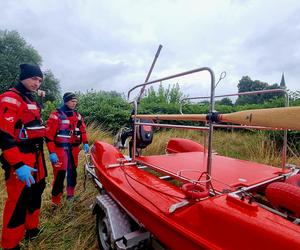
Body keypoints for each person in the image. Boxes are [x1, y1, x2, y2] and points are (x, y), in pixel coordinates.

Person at [0, 64, 46, 250]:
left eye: (40, 80)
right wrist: (18, 164)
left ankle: (31, 228)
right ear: (23, 77)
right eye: (34, 78)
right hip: (21, 157)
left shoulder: (30, 100)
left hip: (37, 156)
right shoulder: (10, 98)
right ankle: (10, 244)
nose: (37, 83)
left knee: (36, 193)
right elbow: (3, 134)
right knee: (18, 200)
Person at [46, 92, 89, 206]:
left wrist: (86, 142)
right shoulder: (56, 115)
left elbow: (83, 130)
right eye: (72, 101)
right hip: (60, 150)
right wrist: (52, 152)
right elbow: (49, 136)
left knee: (72, 173)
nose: (74, 103)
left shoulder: (77, 116)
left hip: (73, 149)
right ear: (65, 101)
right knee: (59, 176)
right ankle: (56, 201)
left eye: (75, 101)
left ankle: (70, 195)